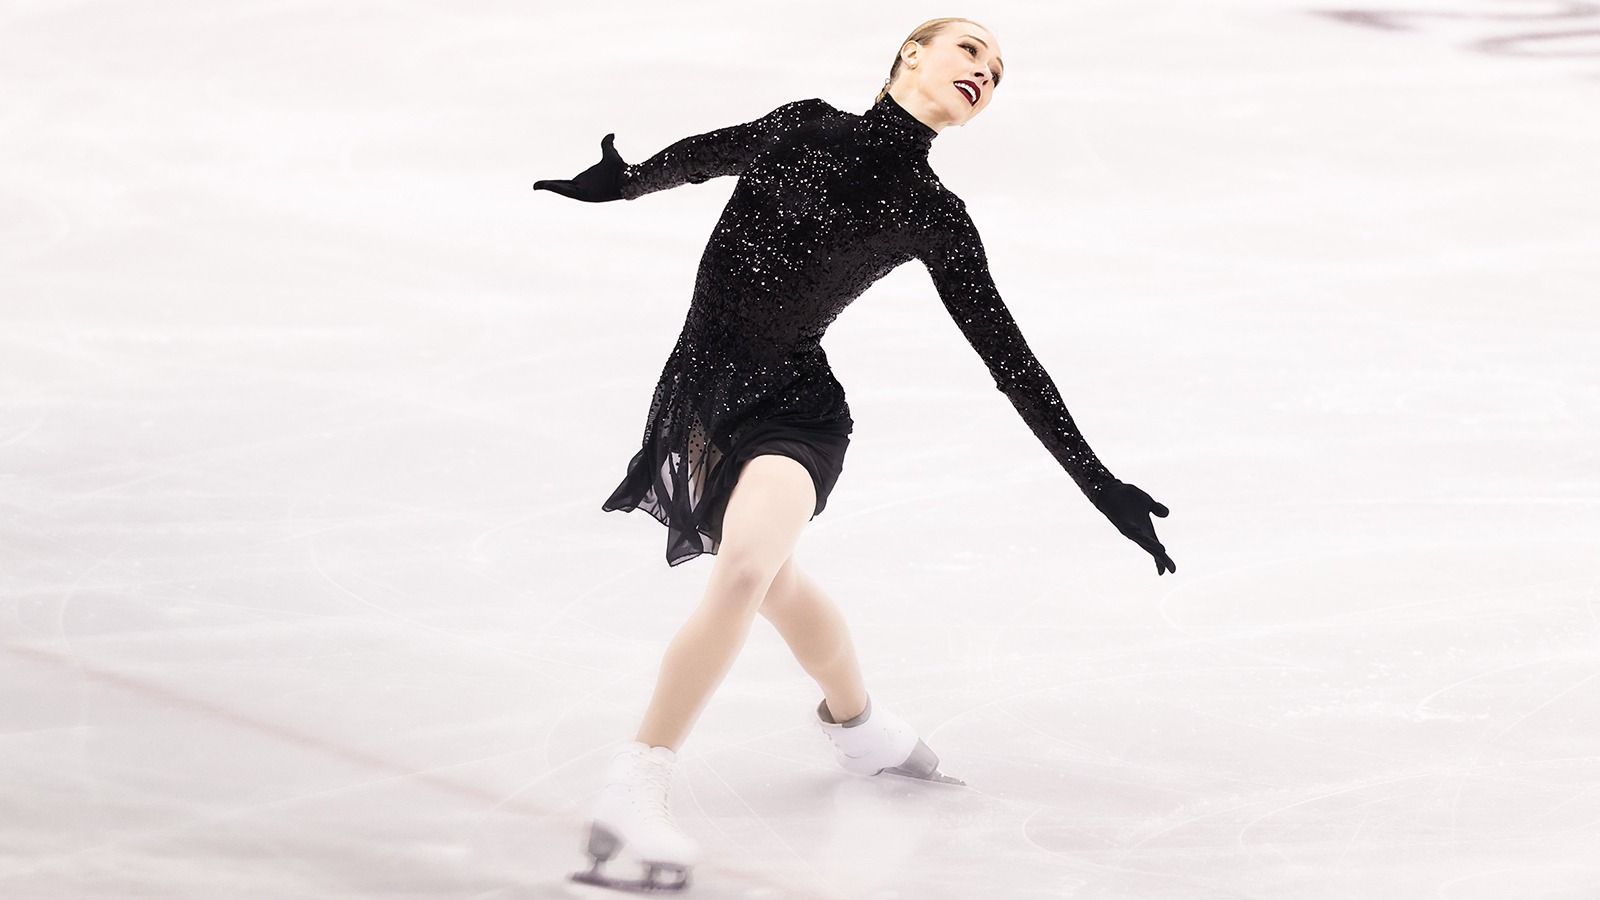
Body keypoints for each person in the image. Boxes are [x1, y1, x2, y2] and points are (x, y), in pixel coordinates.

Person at [534, 17, 1175, 893]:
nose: (984, 74)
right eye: (970, 52)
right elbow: (708, 155)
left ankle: (637, 782)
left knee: (748, 568)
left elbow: (1010, 362)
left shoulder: (933, 215)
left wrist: (1098, 483)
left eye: (996, 73)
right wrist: (627, 184)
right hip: (701, 402)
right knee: (779, 585)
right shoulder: (802, 123)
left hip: (798, 412)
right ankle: (860, 724)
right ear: (910, 53)